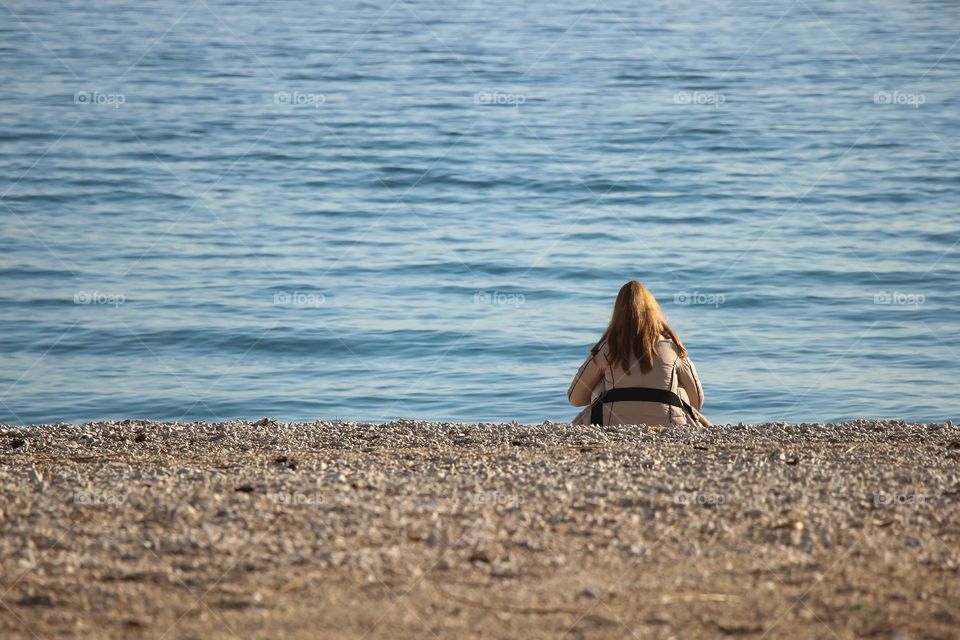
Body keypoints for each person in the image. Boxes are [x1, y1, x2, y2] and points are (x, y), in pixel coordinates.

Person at [567, 280, 708, 427]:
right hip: (670, 426)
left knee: (599, 389)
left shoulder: (606, 348)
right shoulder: (673, 348)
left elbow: (575, 398)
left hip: (611, 425)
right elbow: (696, 402)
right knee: (678, 391)